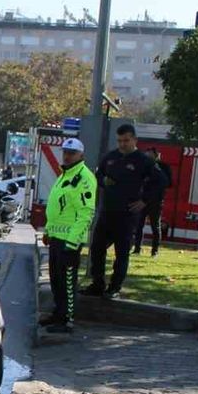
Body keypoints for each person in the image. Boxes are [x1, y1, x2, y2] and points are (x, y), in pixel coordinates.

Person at [83, 123, 166, 298]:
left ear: (134, 140)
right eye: (119, 141)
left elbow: (161, 181)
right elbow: (98, 175)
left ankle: (114, 287)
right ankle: (97, 284)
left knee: (121, 253)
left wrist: (144, 201)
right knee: (97, 248)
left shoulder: (143, 161)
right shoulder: (110, 157)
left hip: (127, 215)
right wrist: (103, 180)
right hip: (107, 211)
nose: (122, 144)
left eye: (126, 141)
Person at [40, 138, 98, 334]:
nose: (67, 155)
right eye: (65, 151)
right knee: (56, 280)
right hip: (57, 237)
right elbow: (57, 208)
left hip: (69, 241)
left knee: (67, 282)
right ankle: (58, 314)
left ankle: (67, 321)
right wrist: (48, 231)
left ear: (81, 155)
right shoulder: (65, 174)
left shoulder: (84, 178)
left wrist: (73, 242)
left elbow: (86, 213)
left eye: (72, 153)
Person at [132, 147, 172, 256]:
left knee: (155, 226)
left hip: (156, 200)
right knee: (139, 225)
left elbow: (168, 183)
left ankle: (155, 251)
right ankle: (137, 249)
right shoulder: (143, 167)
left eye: (149, 155)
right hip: (142, 200)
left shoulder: (162, 167)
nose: (147, 157)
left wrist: (156, 176)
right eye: (146, 155)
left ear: (155, 156)